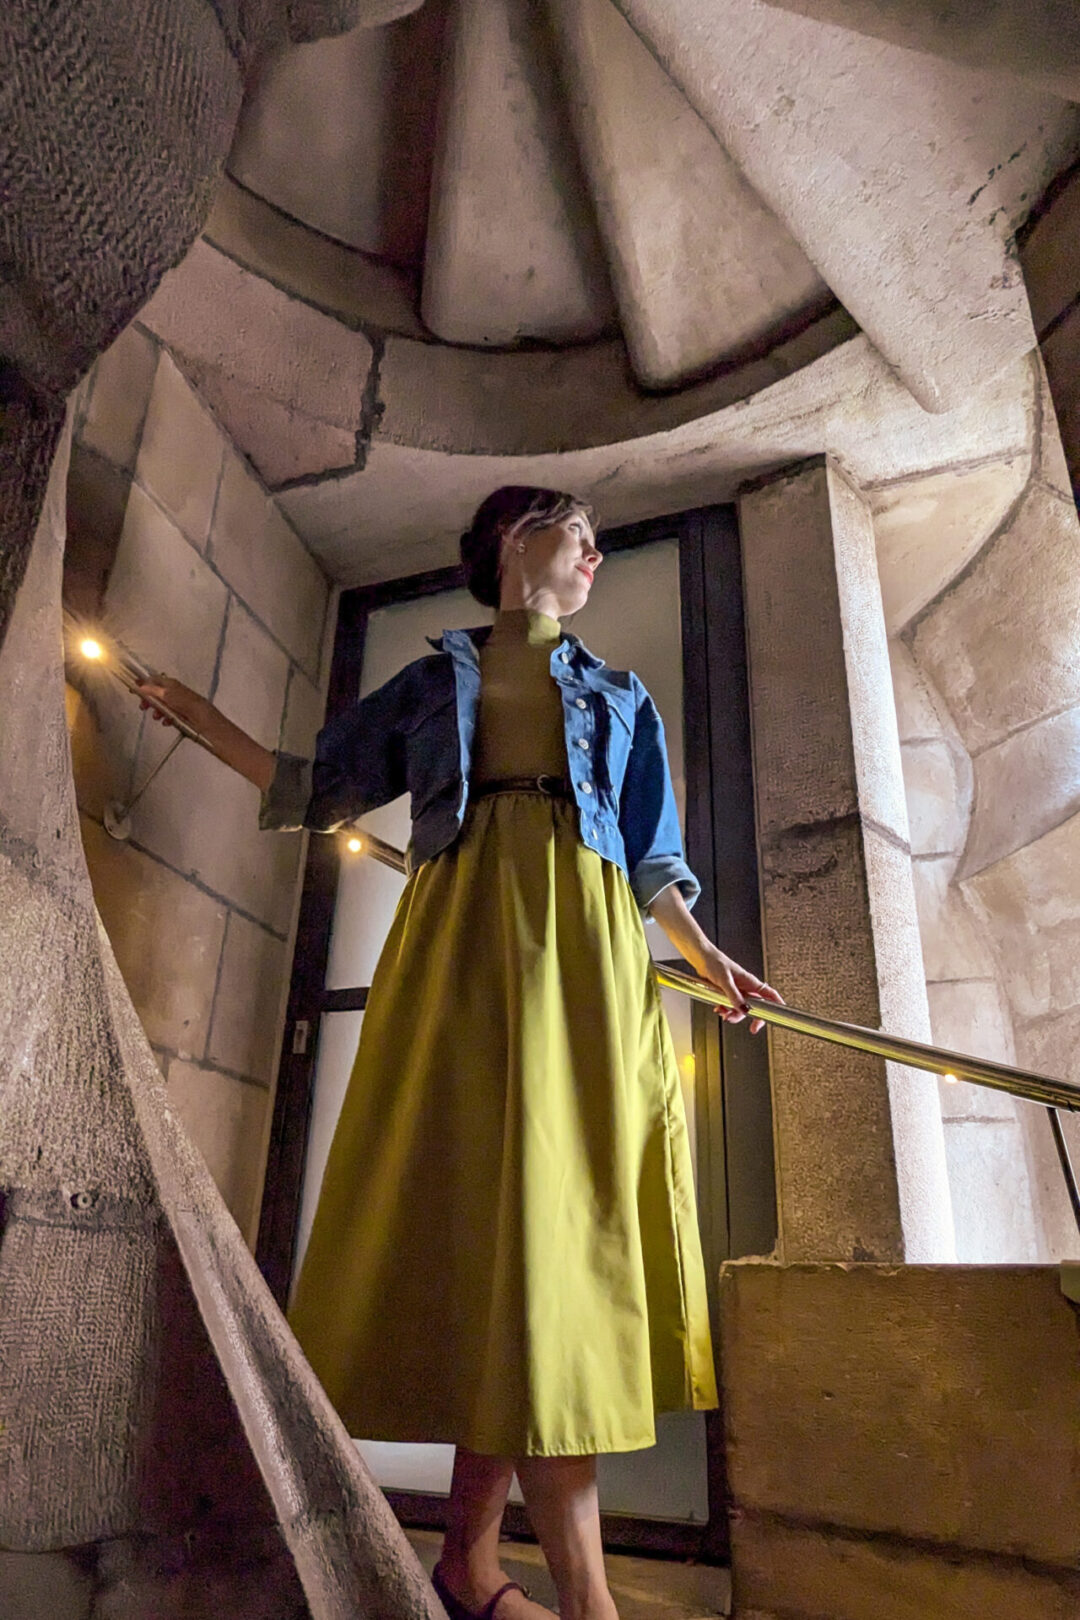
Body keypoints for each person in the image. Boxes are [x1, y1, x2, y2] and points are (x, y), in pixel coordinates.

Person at [137, 485, 783, 1620]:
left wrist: (710, 956)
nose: (594, 554)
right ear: (512, 538)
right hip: (464, 954)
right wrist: (193, 709)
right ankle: (516, 1584)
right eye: (576, 532)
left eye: (594, 540)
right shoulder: (439, 679)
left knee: (547, 1247)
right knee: (506, 1240)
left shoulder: (624, 697)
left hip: (585, 965)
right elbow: (314, 780)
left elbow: (652, 858)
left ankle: (486, 1575)